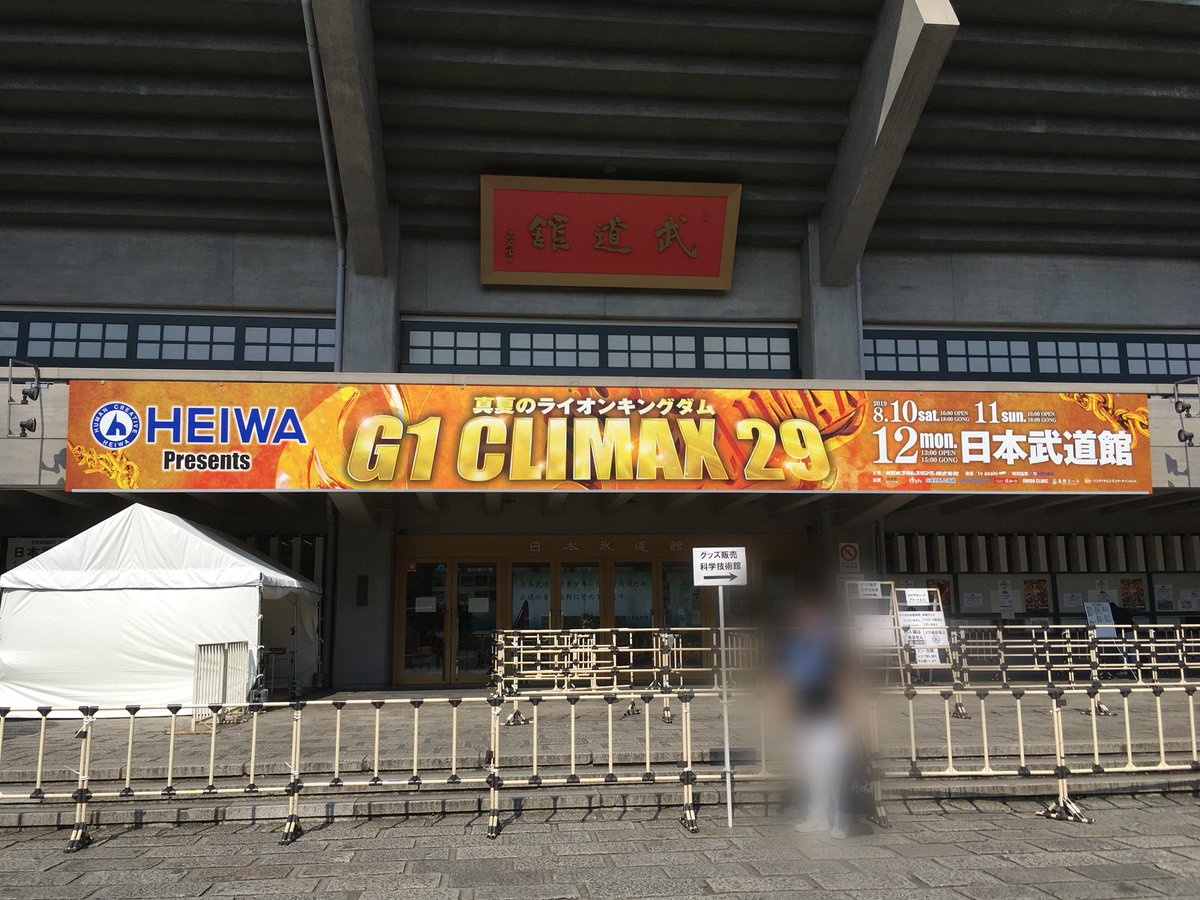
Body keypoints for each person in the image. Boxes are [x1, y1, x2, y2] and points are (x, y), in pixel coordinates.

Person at [784, 592, 855, 839]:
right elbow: (791, 680)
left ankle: (841, 818)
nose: (805, 623)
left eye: (810, 618)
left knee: (834, 768)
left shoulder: (832, 645)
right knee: (813, 769)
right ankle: (818, 815)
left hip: (831, 716)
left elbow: (845, 679)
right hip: (805, 716)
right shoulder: (797, 646)